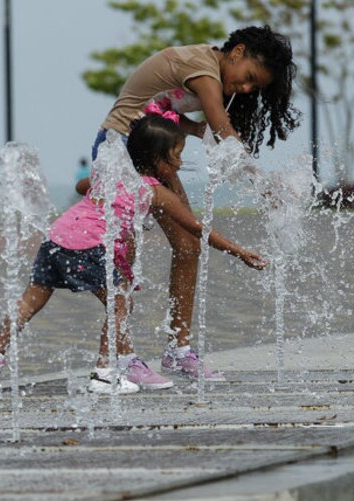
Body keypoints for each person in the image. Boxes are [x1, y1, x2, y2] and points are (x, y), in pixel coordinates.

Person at [0, 110, 267, 394]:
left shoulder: (114, 177)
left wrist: (102, 181)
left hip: (56, 237)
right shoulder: (155, 192)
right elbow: (197, 228)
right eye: (175, 156)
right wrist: (238, 251)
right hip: (91, 245)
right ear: (156, 159)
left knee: (30, 300)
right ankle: (103, 375)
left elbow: (80, 186)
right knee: (119, 305)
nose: (178, 164)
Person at [85, 25, 300, 380]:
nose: (246, 89)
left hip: (153, 153)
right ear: (236, 52)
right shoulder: (203, 71)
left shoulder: (207, 68)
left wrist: (195, 131)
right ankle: (119, 359)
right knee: (126, 255)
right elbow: (222, 129)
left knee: (188, 244)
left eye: (254, 87)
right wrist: (264, 186)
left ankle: (178, 350)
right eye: (247, 78)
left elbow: (159, 107)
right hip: (119, 150)